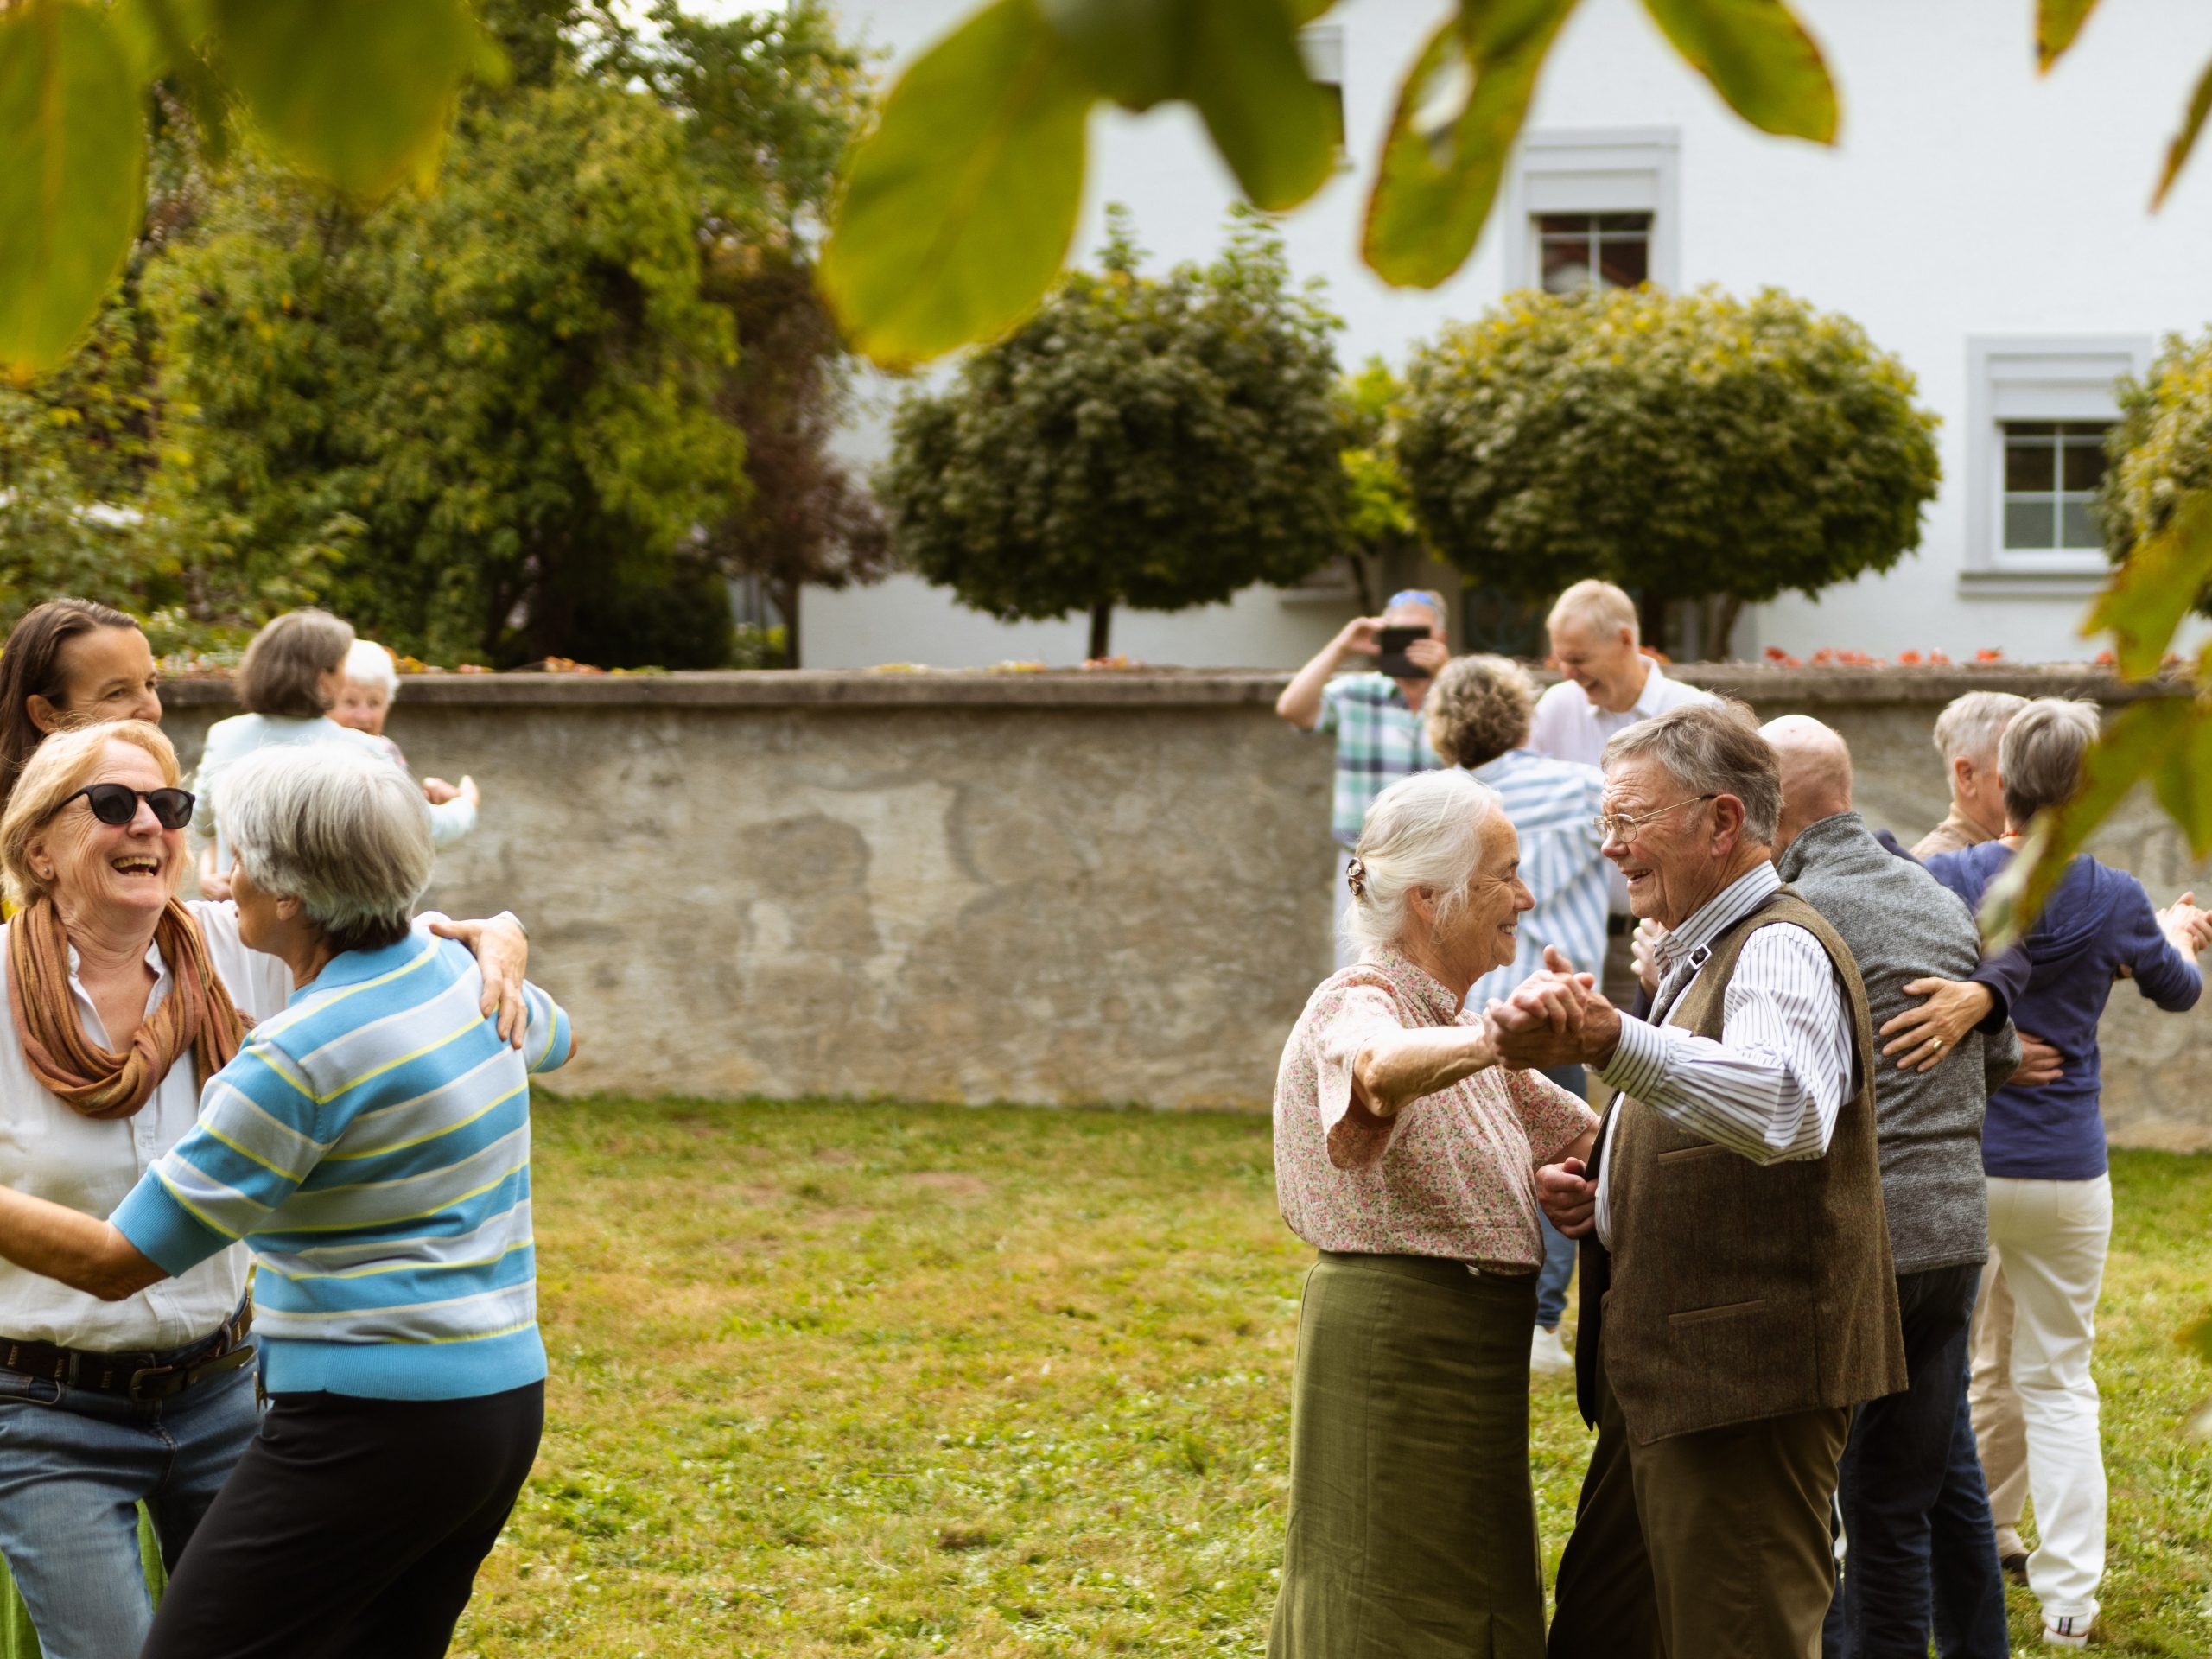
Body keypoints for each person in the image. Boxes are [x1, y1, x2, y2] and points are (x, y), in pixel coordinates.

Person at [0, 740, 572, 1659]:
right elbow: (555, 1035)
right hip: (500, 1402)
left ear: (292, 894)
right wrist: (487, 940)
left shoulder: (291, 1056)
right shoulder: (462, 982)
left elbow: (117, 1261)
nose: (221, 880)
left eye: (238, 859)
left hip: (366, 1419)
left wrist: (487, 931)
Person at [1492, 701, 1907, 1659]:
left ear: (1722, 822)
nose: (1610, 848)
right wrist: (1599, 1199)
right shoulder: (1705, 946)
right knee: (1605, 1631)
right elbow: (1706, 1121)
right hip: (1673, 1386)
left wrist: (1611, 1038)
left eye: (1628, 821)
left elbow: (1786, 1108)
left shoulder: (1777, 944)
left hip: (1744, 1393)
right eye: (1605, 823)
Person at [1269, 767, 1598, 1659]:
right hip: (1397, 1345)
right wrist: (1491, 1039)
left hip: (1461, 1350)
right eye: (1505, 875)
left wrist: (1586, 1160)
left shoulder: (1452, 1021)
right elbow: (1372, 1069)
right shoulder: (1363, 1001)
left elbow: (1593, 1142)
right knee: (1386, 1597)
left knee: (1465, 1588)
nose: (1526, 898)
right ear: (1429, 899)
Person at [1923, 699, 2212, 1649]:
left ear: (2001, 781)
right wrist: (2171, 934)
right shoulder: (2114, 895)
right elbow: (2177, 990)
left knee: (1929, 1371)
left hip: (1957, 1164)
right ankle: (2068, 1605)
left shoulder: (1947, 877)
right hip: (2062, 1173)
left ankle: (1896, 1555)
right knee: (2058, 1382)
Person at [1758, 716, 2015, 1659]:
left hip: (1868, 1243)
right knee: (1915, 1489)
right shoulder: (1931, 896)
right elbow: (2002, 1059)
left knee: (1853, 1501)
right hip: (1953, 1236)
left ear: (1773, 806)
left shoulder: (1796, 916)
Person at [1424, 653, 1606, 1377]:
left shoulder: (1433, 802)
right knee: (1560, 1156)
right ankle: (1540, 1322)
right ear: (1520, 715)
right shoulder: (1579, 790)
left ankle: (1470, 1299)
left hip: (1455, 1009)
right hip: (1550, 1002)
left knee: (1464, 1156)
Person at [1526, 580, 1714, 1007]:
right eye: (1561, 660)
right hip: (1574, 940)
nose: (1567, 673)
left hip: (1681, 937)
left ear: (1625, 640)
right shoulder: (1555, 708)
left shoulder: (1698, 714)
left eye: (1578, 659)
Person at [1274, 591, 1450, 967]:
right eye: (1400, 634)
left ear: (1441, 640)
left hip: (1443, 863)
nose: (1410, 645)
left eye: (1421, 635)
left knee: (1442, 966)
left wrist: (1447, 673)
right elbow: (1292, 708)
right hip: (1365, 862)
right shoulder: (1357, 692)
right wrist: (1342, 646)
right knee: (1358, 965)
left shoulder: (1455, 697)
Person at [193, 608, 391, 895]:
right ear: (324, 678)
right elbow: (422, 830)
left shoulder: (225, 736)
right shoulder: (362, 750)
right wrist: (465, 805)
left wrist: (208, 871)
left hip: (235, 917)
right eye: (343, 666)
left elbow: (203, 822)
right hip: (321, 929)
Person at [0, 598, 162, 818]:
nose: (153, 710)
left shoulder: (160, 807)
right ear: (47, 715)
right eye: (117, 692)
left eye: (150, 684)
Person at [333, 639, 480, 849]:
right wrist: (466, 804)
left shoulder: (387, 750)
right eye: (350, 702)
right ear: (326, 703)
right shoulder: (320, 754)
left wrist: (426, 801)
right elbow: (411, 826)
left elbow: (402, 821)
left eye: (374, 703)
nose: (364, 715)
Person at [1915, 691, 2028, 860]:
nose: (2040, 780)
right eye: (2020, 765)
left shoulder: (2020, 853)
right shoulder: (1932, 870)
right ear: (1967, 776)